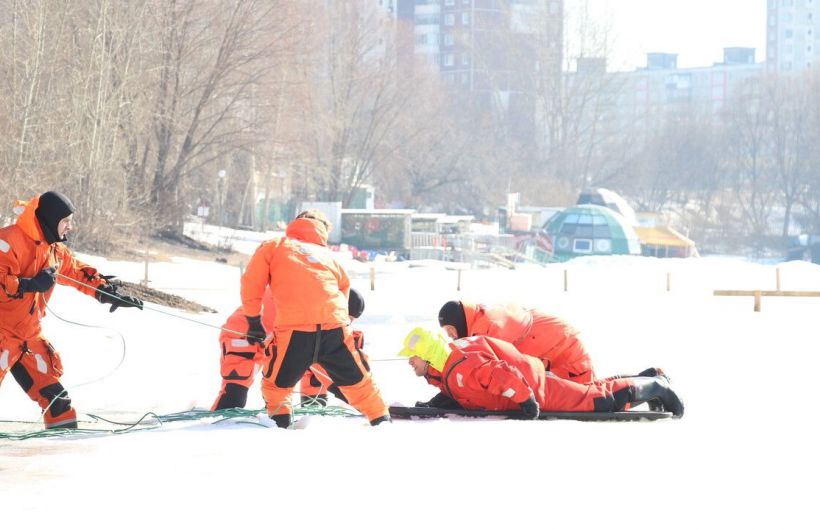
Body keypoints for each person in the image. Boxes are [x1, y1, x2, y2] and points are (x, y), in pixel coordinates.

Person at [0, 192, 144, 429]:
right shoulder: (8, 241)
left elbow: (77, 272)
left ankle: (59, 447)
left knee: (58, 403)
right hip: (2, 333)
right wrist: (29, 284)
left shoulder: (53, 250)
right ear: (50, 219)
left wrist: (106, 292)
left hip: (28, 336)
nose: (70, 226)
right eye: (65, 221)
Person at [240, 209, 389, 428]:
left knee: (276, 386)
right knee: (361, 384)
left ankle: (280, 429)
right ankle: (383, 423)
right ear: (322, 231)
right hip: (335, 328)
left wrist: (253, 321)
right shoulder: (329, 256)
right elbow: (344, 292)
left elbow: (252, 283)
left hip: (295, 331)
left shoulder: (275, 246)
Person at [398, 327, 684, 418]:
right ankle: (646, 376)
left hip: (537, 389)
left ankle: (658, 386)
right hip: (532, 377)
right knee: (591, 391)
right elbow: (466, 391)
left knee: (599, 401)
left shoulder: (463, 366)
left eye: (413, 358)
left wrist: (527, 402)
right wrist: (435, 406)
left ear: (428, 355)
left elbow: (501, 376)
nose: (410, 363)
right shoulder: (446, 364)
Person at [211, 287, 366, 411]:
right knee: (234, 396)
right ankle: (211, 430)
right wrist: (364, 402)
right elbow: (331, 369)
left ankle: (311, 410)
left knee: (311, 376)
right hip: (243, 336)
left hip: (276, 339)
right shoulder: (312, 309)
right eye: (347, 319)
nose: (347, 325)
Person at [438, 300, 596, 383]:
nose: (451, 335)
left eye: (451, 329)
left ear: (460, 322)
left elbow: (495, 372)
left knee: (586, 396)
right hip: (559, 345)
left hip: (567, 354)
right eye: (446, 332)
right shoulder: (483, 317)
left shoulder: (487, 329)